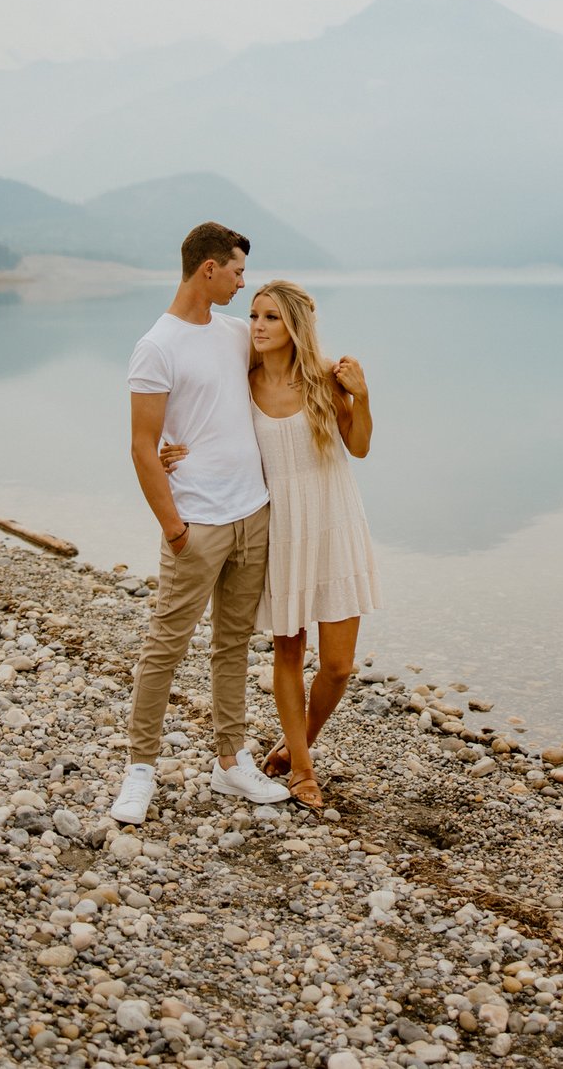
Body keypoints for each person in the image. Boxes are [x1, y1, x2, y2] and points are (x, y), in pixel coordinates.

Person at [162, 280, 381, 810]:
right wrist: (175, 452)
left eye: (270, 319)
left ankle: (296, 740)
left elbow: (361, 446)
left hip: (334, 523)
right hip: (279, 527)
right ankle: (303, 771)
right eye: (254, 315)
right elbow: (205, 423)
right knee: (288, 650)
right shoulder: (245, 381)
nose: (256, 326)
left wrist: (363, 395)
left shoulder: (326, 381)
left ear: (295, 327)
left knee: (338, 665)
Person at [110, 222, 290, 826]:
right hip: (197, 523)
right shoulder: (156, 346)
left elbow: (287, 371)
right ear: (207, 269)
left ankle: (230, 760)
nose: (243, 283)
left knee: (233, 644)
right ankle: (139, 770)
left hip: (252, 513)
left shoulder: (238, 334)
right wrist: (175, 530)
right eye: (237, 272)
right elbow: (142, 446)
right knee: (165, 647)